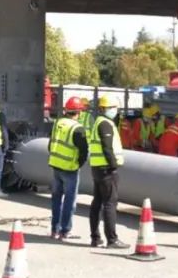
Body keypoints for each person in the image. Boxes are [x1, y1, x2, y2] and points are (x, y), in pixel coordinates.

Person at [89, 95, 128, 249]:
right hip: (106, 170)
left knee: (97, 203)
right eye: (114, 108)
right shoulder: (105, 124)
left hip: (97, 168)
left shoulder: (98, 122)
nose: (115, 111)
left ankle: (95, 238)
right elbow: (107, 147)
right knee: (110, 204)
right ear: (107, 108)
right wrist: (113, 166)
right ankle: (112, 239)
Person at [48, 97, 89, 240]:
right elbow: (84, 151)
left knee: (56, 199)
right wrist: (78, 164)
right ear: (79, 112)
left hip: (56, 165)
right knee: (69, 201)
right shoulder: (77, 129)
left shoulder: (57, 123)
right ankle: (65, 231)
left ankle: (55, 230)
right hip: (70, 169)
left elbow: (50, 143)